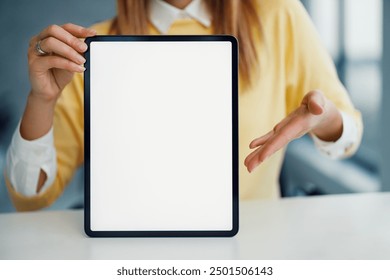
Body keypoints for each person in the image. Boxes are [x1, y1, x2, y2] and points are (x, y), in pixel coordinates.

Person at [5, 0, 362, 211]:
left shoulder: (278, 15)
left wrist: (323, 117)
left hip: (253, 251)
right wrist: (43, 98)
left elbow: (348, 138)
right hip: (132, 251)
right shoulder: (91, 48)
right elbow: (29, 198)